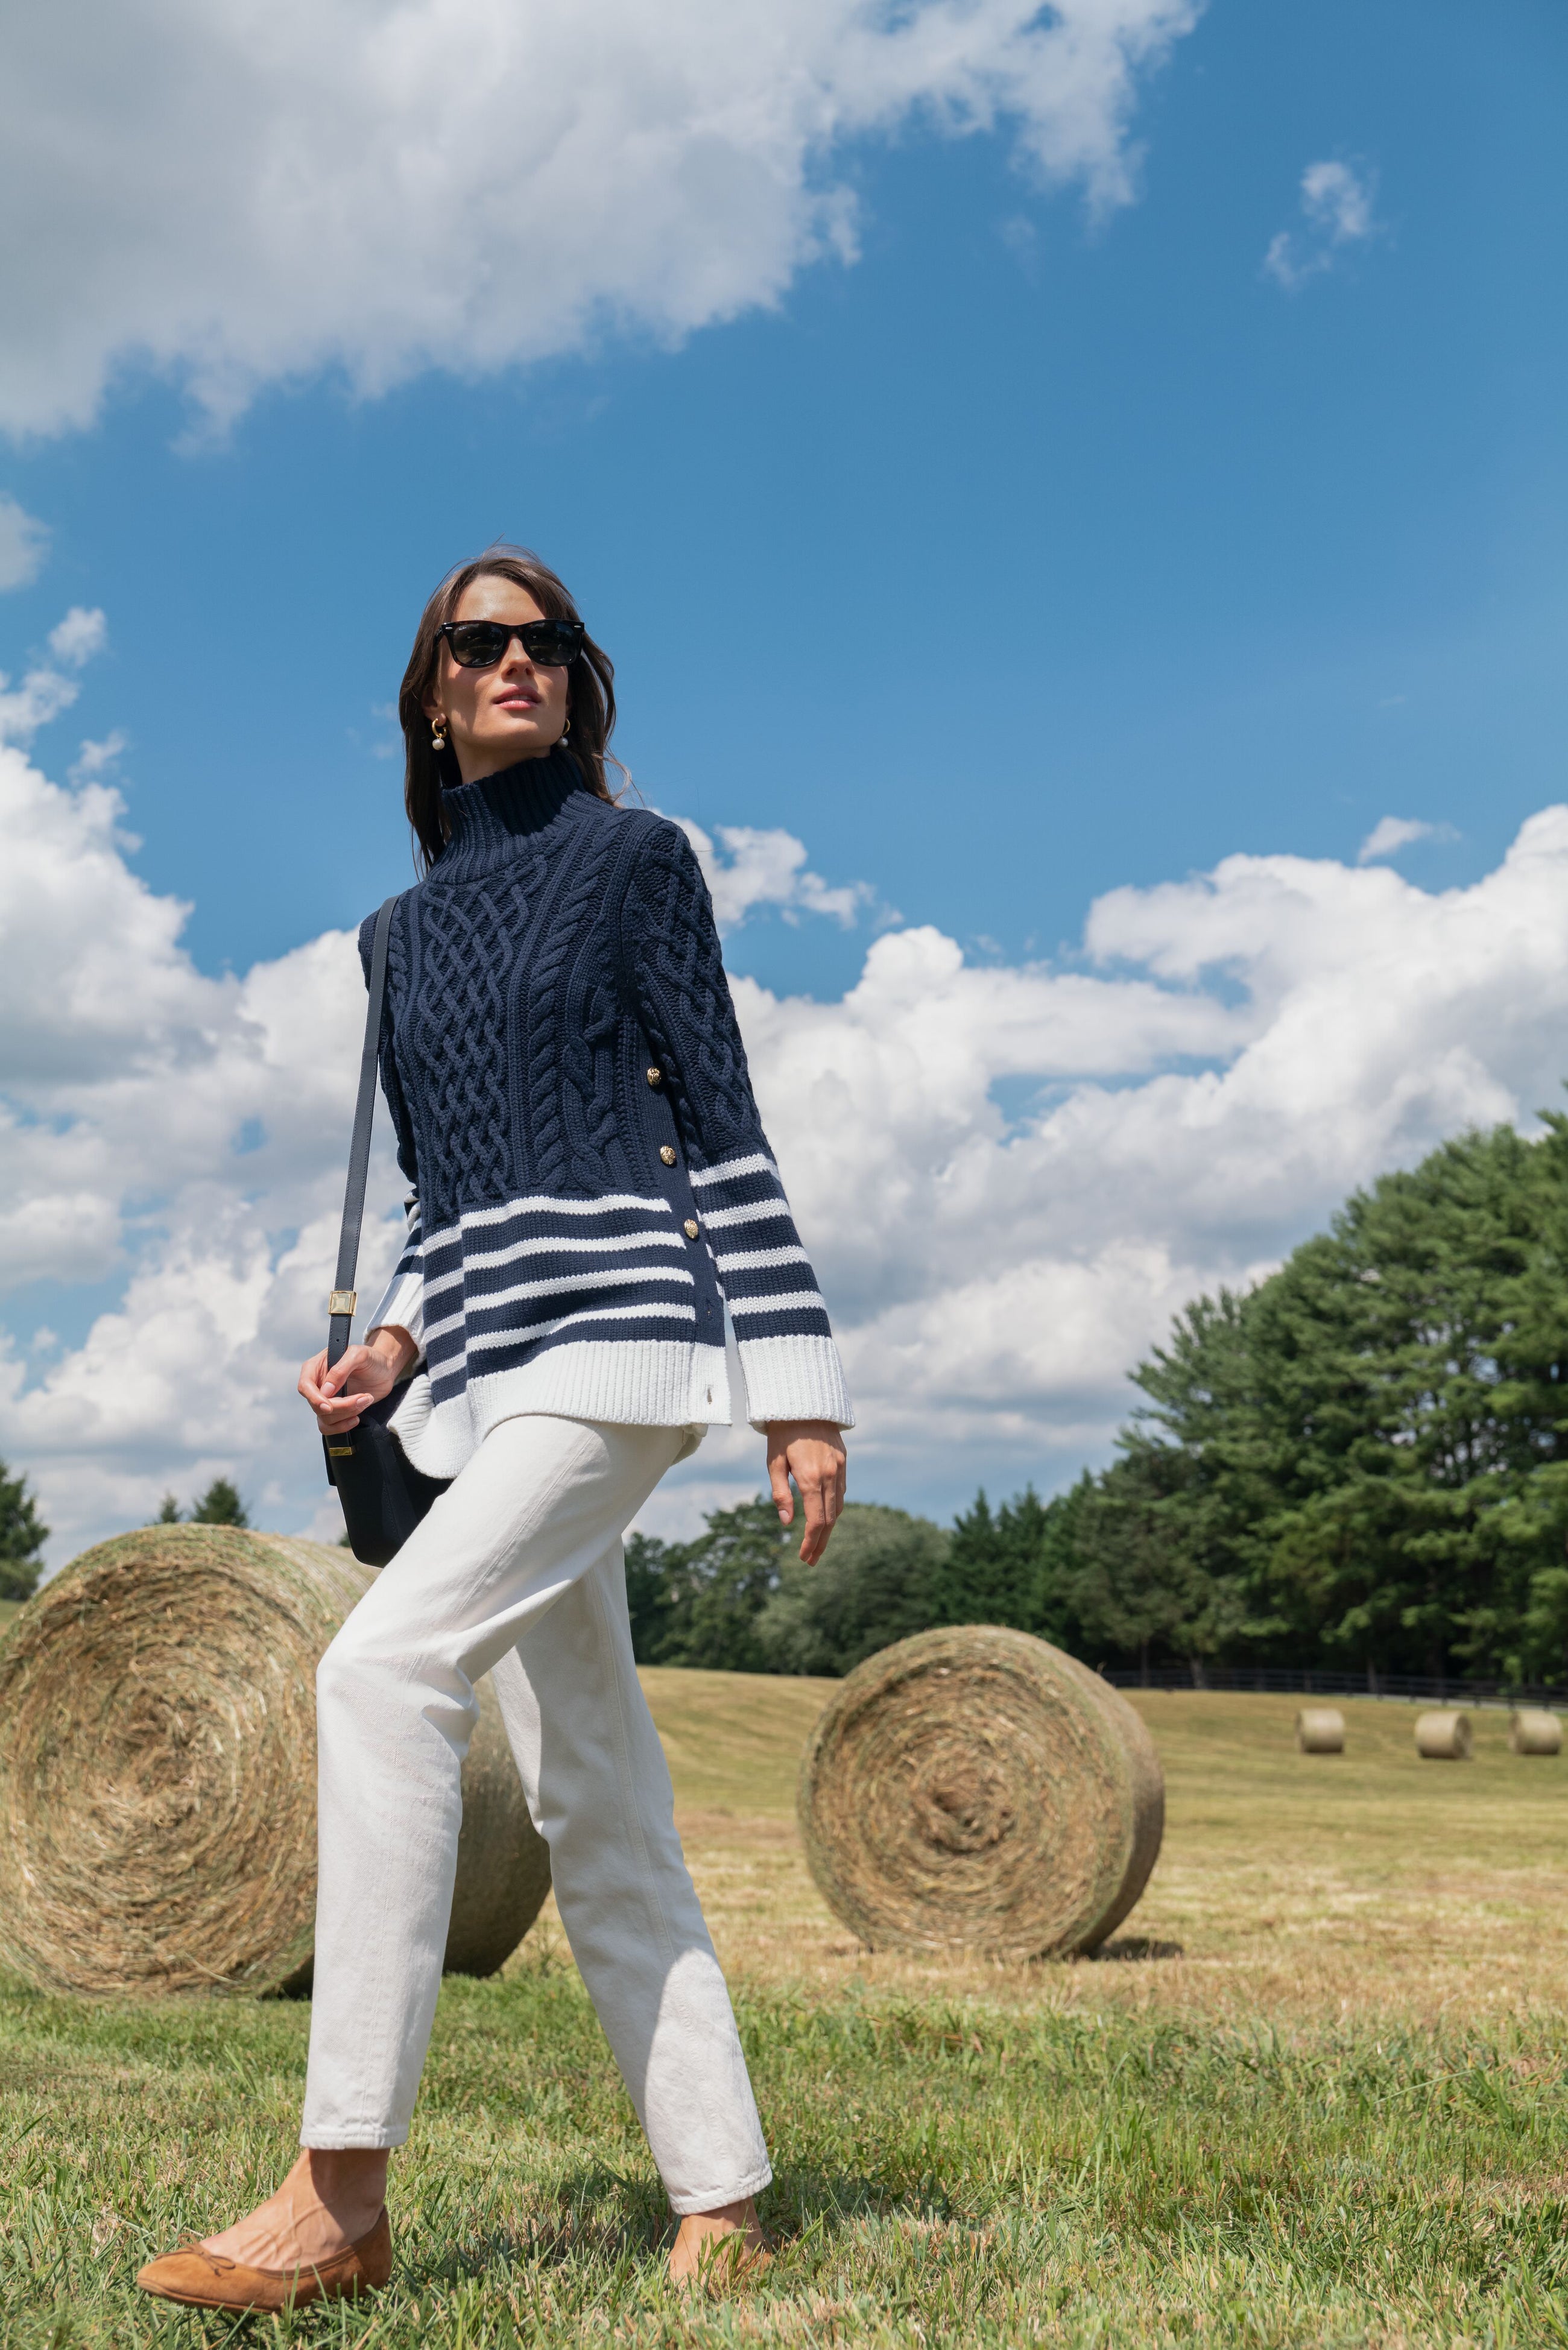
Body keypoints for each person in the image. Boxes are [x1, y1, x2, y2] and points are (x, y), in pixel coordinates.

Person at [136, 547, 852, 2314]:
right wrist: (387, 1342)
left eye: (545, 640)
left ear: (573, 680)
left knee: (381, 1672)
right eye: (483, 640)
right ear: (434, 693)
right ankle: (727, 2189)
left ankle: (340, 2184)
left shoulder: (633, 860)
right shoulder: (395, 940)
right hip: (479, 1374)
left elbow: (727, 1123)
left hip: (618, 1349)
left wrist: (800, 1380)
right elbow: (447, 1200)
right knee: (597, 1794)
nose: (517, 659)